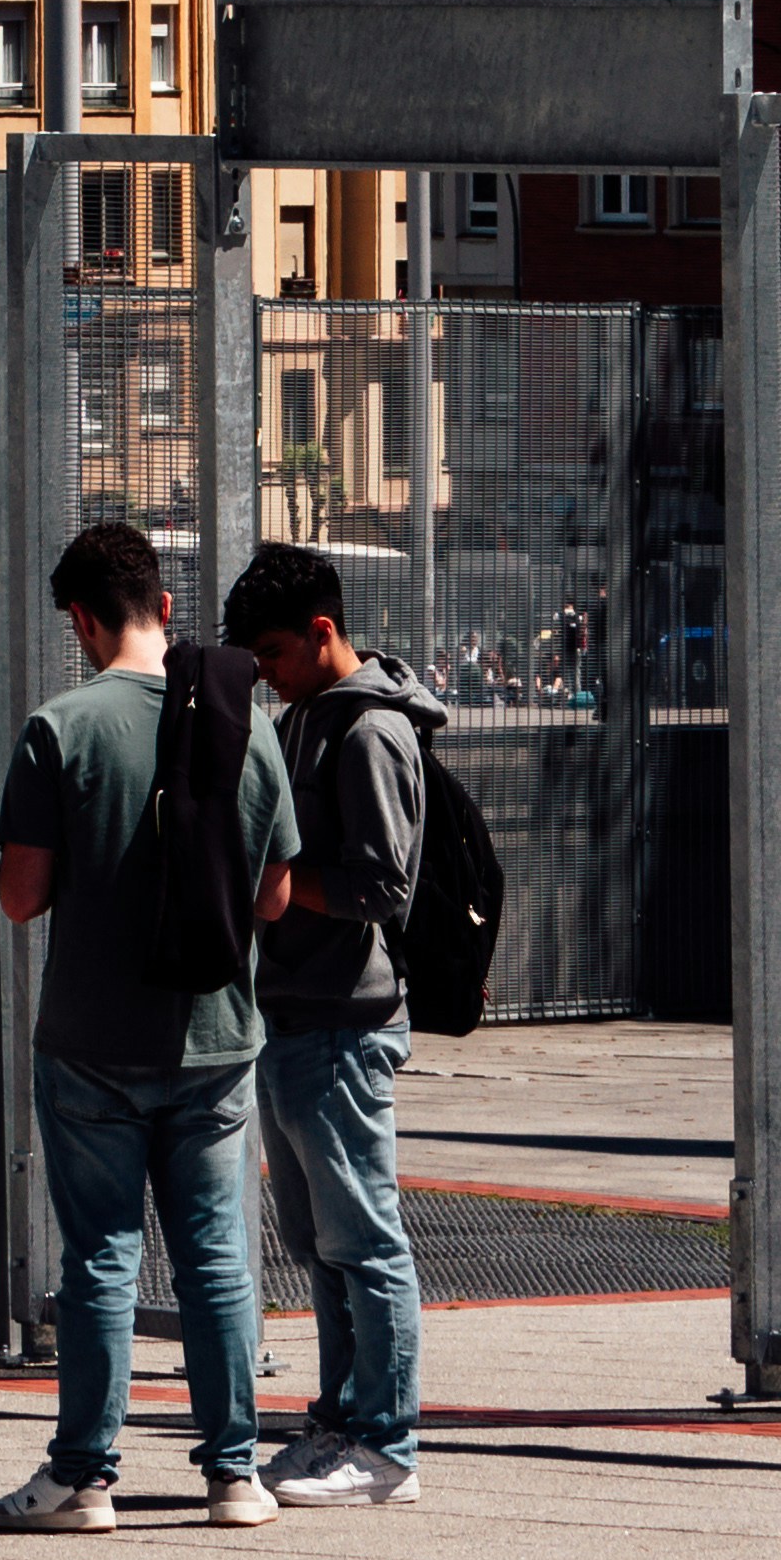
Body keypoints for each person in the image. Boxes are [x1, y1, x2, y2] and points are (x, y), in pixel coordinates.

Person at [0, 514, 297, 1533]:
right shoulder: (242, 723)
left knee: (102, 1258)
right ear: (165, 606)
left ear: (79, 619)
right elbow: (277, 897)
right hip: (215, 1035)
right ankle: (234, 1473)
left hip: (90, 1038)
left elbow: (20, 899)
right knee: (214, 1257)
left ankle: (82, 1478)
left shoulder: (59, 729)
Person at [227, 538, 429, 1510]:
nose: (264, 675)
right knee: (324, 1241)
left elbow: (386, 883)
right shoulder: (307, 718)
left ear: (320, 632)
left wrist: (278, 884)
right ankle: (344, 1422)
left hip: (346, 1018)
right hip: (302, 1014)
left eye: (271, 654)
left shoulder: (367, 734)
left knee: (363, 1237)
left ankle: (385, 1443)